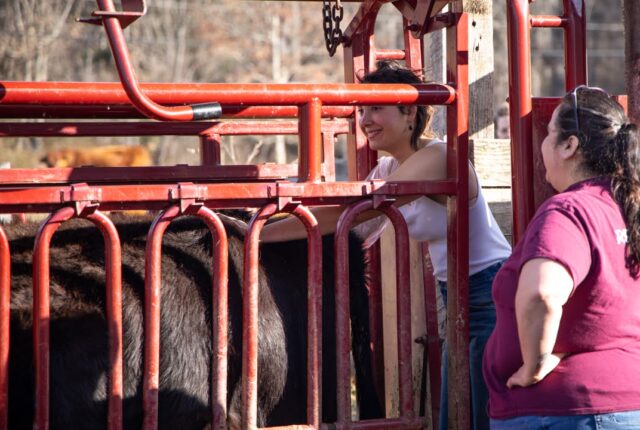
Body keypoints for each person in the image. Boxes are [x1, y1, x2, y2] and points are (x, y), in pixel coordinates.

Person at [257, 60, 511, 430]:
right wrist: (264, 225)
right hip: (455, 298)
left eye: (376, 108)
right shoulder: (390, 170)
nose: (364, 120)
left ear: (409, 111)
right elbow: (354, 229)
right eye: (362, 110)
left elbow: (352, 213)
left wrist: (256, 234)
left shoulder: (438, 157)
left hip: (490, 292)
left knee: (482, 417)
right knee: (458, 418)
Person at [483, 86, 640, 429]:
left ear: (569, 146)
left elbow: (541, 293)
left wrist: (534, 363)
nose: (543, 143)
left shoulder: (569, 209)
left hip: (566, 411)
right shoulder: (629, 208)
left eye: (550, 133)